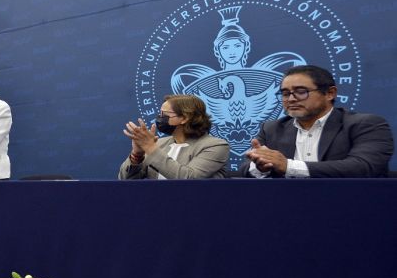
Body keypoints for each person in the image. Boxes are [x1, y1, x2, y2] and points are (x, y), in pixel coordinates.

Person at [242, 65, 394, 178]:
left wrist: (288, 166)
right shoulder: (272, 128)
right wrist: (262, 167)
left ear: (330, 93)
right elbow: (245, 169)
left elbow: (364, 167)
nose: (291, 99)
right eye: (285, 93)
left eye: (301, 92)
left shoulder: (366, 124)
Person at [119, 94, 229, 179]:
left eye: (164, 114)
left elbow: (189, 178)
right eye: (160, 114)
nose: (159, 118)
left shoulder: (215, 146)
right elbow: (125, 181)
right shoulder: (159, 143)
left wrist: (151, 148)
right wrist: (137, 155)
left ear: (185, 118)